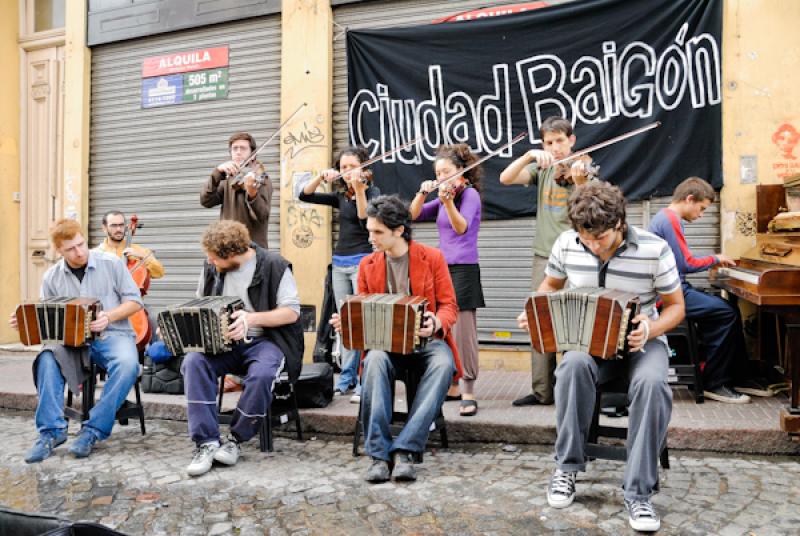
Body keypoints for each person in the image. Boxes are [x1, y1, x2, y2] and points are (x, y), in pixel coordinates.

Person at [517, 182, 684, 532]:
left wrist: (651, 329)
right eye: (585, 238)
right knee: (571, 366)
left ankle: (638, 493)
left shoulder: (655, 249)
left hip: (642, 344)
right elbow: (550, 286)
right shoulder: (566, 243)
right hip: (589, 346)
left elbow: (676, 308)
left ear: (620, 223)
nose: (593, 245)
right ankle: (566, 467)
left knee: (653, 384)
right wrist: (536, 310)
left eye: (601, 238)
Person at [330, 195, 462, 483]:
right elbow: (362, 311)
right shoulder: (367, 265)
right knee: (375, 359)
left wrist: (436, 321)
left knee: (443, 364)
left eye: (377, 232)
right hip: (385, 346)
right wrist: (348, 323)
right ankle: (378, 454)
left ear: (399, 230)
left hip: (426, 343)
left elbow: (450, 305)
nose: (371, 238)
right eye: (369, 231)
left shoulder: (433, 257)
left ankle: (405, 449)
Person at [9, 219, 143, 462]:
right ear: (59, 250)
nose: (79, 252)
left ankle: (92, 431)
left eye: (81, 244)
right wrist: (26, 322)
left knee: (127, 364)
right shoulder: (52, 277)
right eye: (71, 249)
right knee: (46, 358)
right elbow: (47, 320)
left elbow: (135, 302)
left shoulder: (111, 263)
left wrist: (108, 316)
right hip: (71, 343)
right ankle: (51, 432)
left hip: (112, 335)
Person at [182, 220, 304, 476]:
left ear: (233, 255)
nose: (210, 261)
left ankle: (236, 439)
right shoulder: (211, 266)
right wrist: (179, 327)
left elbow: (291, 312)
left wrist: (251, 319)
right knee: (193, 361)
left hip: (268, 341)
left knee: (262, 374)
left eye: (215, 258)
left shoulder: (274, 265)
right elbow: (201, 303)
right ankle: (206, 442)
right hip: (224, 343)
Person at [499, 116, 594, 407]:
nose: (555, 148)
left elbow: (588, 214)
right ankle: (542, 391)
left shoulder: (584, 171)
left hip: (577, 258)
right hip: (544, 254)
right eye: (548, 143)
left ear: (572, 141)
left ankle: (571, 388)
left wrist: (580, 183)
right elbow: (505, 178)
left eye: (560, 142)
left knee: (574, 323)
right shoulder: (542, 170)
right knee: (538, 319)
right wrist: (528, 155)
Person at [649, 177, 764, 403]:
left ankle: (737, 376)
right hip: (668, 295)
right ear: (689, 199)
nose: (701, 215)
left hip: (675, 287)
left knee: (727, 309)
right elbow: (686, 264)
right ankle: (714, 382)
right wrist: (715, 258)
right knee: (726, 313)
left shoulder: (667, 217)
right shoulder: (670, 219)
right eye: (702, 209)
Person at [299, 146, 380, 404]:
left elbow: (363, 218)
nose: (346, 172)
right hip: (339, 263)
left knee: (363, 322)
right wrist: (321, 178)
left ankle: (365, 379)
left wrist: (358, 190)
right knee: (345, 323)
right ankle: (346, 378)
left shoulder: (373, 192)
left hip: (362, 262)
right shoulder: (339, 196)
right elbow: (305, 195)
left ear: (364, 168)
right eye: (342, 167)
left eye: (351, 166)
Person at [410, 144, 484, 417]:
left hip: (464, 269)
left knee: (464, 330)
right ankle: (452, 385)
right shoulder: (442, 195)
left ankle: (469, 390)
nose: (442, 176)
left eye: (447, 171)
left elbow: (461, 227)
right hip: (441, 269)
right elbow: (413, 214)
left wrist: (448, 201)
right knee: (445, 327)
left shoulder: (469, 194)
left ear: (461, 172)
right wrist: (423, 192)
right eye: (438, 172)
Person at [201, 132, 273, 248]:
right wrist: (217, 173)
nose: (238, 152)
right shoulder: (227, 180)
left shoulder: (260, 178)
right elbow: (206, 201)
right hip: (228, 248)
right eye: (235, 149)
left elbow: (263, 215)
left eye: (243, 148)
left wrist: (252, 195)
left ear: (253, 154)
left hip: (252, 249)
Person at [94, 210, 165, 280]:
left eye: (121, 225)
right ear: (104, 228)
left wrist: (142, 256)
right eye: (114, 225)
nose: (118, 229)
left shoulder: (138, 250)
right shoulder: (96, 253)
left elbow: (159, 273)